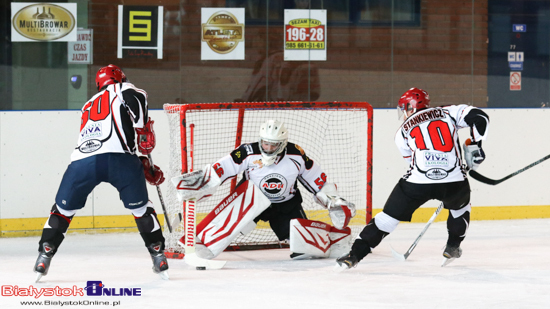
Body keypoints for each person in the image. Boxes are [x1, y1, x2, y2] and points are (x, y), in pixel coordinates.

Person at [33, 64, 169, 281]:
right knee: (142, 209)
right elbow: (138, 98)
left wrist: (139, 158)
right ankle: (158, 255)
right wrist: (143, 137)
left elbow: (99, 139)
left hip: (82, 163)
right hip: (120, 161)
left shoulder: (87, 105)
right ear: (120, 78)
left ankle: (44, 254)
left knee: (61, 211)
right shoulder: (124, 89)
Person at [336, 87, 490, 269]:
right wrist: (475, 145)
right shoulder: (448, 112)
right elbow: (480, 117)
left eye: (404, 108)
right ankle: (453, 247)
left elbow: (413, 161)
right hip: (453, 181)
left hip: (417, 183)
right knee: (460, 209)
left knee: (386, 219)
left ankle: (353, 256)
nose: (403, 113)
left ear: (411, 106)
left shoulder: (401, 132)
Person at [173, 120, 355, 259]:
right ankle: (198, 242)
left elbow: (317, 182)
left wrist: (333, 201)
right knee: (224, 227)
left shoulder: (296, 155)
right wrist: (200, 182)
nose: (268, 148)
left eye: (273, 145)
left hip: (286, 205)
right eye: (265, 143)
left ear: (283, 143)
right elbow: (222, 169)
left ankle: (339, 239)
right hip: (252, 201)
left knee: (303, 249)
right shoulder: (247, 152)